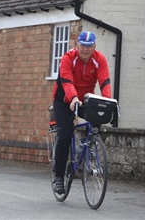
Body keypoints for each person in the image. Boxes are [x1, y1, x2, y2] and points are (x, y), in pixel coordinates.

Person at [52, 31, 112, 194]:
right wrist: (72, 98)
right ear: (76, 45)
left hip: (85, 98)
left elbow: (105, 81)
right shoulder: (68, 58)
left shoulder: (99, 60)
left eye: (89, 46)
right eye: (82, 46)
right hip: (64, 100)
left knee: (94, 125)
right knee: (64, 136)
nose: (85, 49)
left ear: (94, 46)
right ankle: (58, 178)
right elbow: (66, 80)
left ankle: (84, 152)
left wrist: (107, 100)